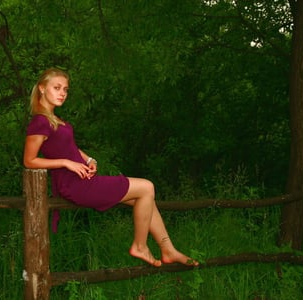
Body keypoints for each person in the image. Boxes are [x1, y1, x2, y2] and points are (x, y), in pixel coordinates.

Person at [23, 68, 198, 267]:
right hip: (74, 186)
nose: (62, 93)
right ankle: (140, 246)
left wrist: (89, 160)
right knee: (147, 187)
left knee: (144, 199)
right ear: (42, 88)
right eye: (57, 88)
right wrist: (65, 163)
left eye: (65, 89)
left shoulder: (55, 120)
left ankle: (168, 249)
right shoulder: (39, 122)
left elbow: (70, 148)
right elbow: (29, 160)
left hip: (83, 180)